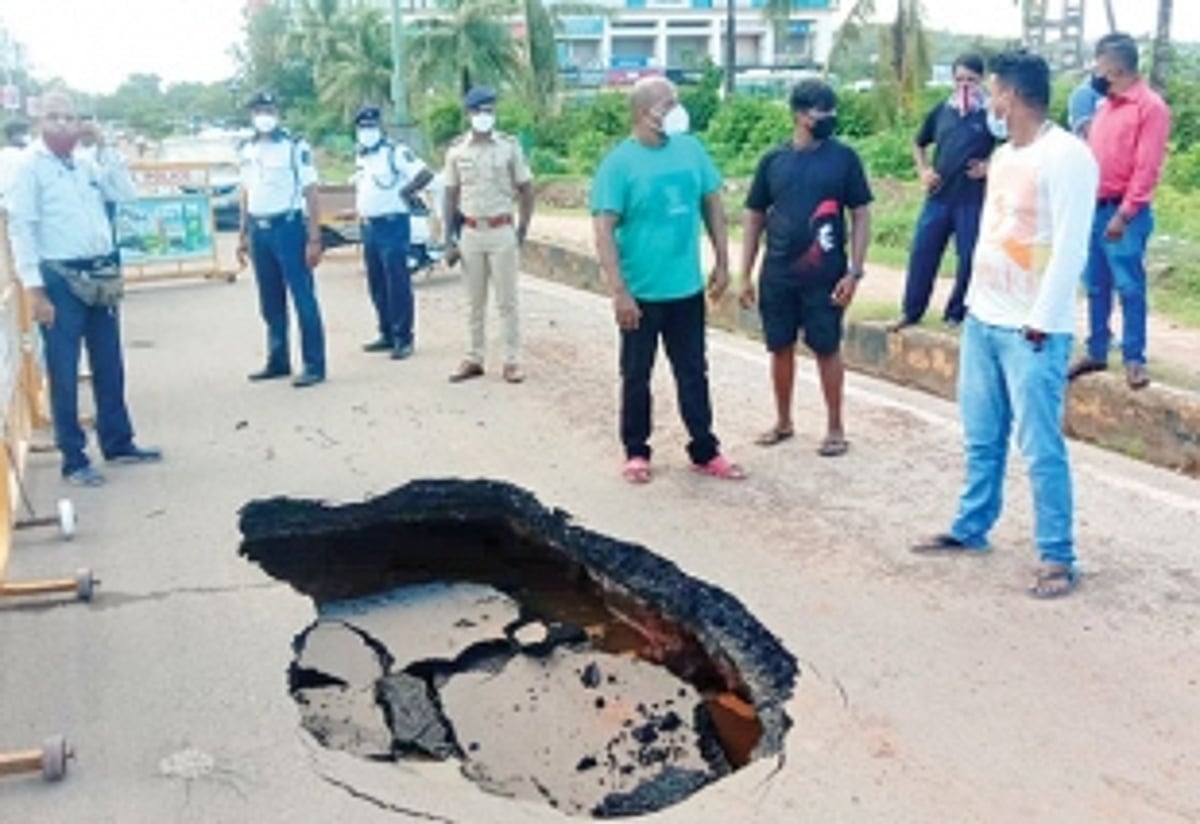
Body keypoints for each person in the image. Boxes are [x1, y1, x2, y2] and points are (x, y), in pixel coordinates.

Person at [910, 51, 1099, 600]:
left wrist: (1041, 319)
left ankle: (1057, 554)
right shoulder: (1003, 155)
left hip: (1032, 330)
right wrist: (973, 302)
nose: (988, 102)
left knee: (1039, 447)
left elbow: (1071, 247)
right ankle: (971, 526)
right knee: (982, 436)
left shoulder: (1067, 157)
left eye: (993, 91)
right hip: (985, 317)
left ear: (1010, 96)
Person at [592, 76, 745, 484]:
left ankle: (705, 449)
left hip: (685, 289)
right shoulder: (618, 164)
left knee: (693, 370)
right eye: (668, 103)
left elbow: (712, 203)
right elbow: (604, 229)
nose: (677, 109)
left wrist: (723, 261)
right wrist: (619, 292)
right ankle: (636, 451)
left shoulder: (691, 150)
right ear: (645, 113)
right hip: (641, 293)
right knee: (636, 374)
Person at [6, 90, 162, 487]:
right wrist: (35, 291)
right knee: (64, 368)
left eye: (70, 117)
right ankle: (73, 457)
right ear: (40, 122)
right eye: (54, 117)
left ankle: (118, 440)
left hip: (100, 273)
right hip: (59, 277)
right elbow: (22, 228)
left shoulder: (85, 162)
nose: (63, 124)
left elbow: (125, 194)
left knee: (109, 362)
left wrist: (105, 148)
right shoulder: (29, 167)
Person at [739, 79, 873, 458]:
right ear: (800, 115)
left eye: (832, 110)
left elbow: (861, 214)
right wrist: (745, 274)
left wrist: (855, 271)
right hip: (778, 273)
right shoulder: (772, 161)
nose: (829, 117)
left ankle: (835, 428)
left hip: (827, 276)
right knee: (780, 347)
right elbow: (754, 215)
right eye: (821, 111)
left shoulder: (844, 159)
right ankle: (783, 421)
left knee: (827, 349)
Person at [1069, 32, 1172, 390]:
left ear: (1115, 68)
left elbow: (1147, 168)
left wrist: (1125, 214)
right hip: (1095, 207)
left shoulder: (1150, 107)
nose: (1095, 73)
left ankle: (1134, 358)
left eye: (1099, 66)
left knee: (1129, 285)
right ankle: (1097, 349)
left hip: (1124, 212)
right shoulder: (1106, 106)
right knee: (1096, 284)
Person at [888, 54, 995, 332]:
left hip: (972, 199)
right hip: (939, 196)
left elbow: (1013, 147)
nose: (965, 85)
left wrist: (990, 166)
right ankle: (911, 311)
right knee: (922, 254)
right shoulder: (942, 110)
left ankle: (956, 314)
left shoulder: (991, 114)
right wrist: (923, 171)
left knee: (969, 258)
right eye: (959, 79)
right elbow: (919, 143)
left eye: (971, 80)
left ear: (982, 80)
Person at [442, 86, 534, 384]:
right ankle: (474, 357)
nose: (485, 115)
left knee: (507, 301)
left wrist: (522, 229)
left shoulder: (509, 147)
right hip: (470, 232)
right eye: (479, 111)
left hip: (501, 229)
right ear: (469, 113)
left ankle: (511, 361)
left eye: (489, 110)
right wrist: (448, 238)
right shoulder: (457, 150)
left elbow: (526, 189)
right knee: (474, 302)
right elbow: (450, 194)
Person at [236, 90, 327, 388]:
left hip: (288, 228)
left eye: (268, 109)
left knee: (303, 298)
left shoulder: (294, 147)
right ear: (251, 114)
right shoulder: (246, 149)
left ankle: (314, 364)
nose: (264, 115)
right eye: (258, 110)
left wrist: (314, 238)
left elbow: (311, 191)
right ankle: (278, 359)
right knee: (270, 300)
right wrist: (243, 233)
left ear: (277, 112)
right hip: (259, 230)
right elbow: (246, 192)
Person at [351, 105, 433, 359]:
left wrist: (405, 192)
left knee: (397, 281)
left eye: (371, 126)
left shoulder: (395, 152)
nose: (367, 131)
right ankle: (386, 332)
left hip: (393, 224)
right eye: (363, 127)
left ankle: (403, 337)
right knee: (376, 282)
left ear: (380, 127)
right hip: (370, 226)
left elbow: (424, 174)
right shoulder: (362, 156)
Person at [0, 119, 32, 205]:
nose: (28, 136)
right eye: (24, 133)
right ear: (14, 135)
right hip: (10, 203)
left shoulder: (26, 153)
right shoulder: (9, 155)